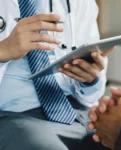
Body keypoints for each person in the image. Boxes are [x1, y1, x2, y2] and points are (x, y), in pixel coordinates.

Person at [0, 0, 113, 149]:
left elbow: (92, 95)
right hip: (14, 115)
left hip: (80, 113)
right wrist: (3, 51)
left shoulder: (83, 3)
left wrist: (90, 80)